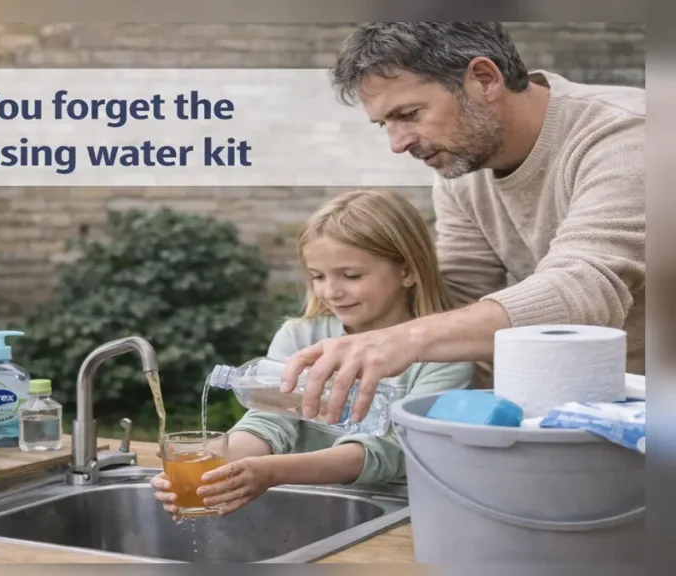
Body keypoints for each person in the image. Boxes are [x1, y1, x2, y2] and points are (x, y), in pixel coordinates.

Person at [282, 22, 645, 426]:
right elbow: (457, 299)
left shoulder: (629, 134)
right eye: (385, 123)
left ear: (484, 79)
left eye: (409, 114)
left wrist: (401, 341)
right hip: (578, 413)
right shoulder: (462, 166)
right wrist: (335, 334)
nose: (397, 143)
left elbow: (585, 289)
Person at [150, 189, 474, 516]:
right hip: (305, 507)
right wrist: (220, 467)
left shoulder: (441, 353)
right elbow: (271, 420)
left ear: (406, 271)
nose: (331, 292)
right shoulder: (302, 336)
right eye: (318, 276)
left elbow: (392, 450)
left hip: (402, 514)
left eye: (351, 276)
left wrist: (274, 471)